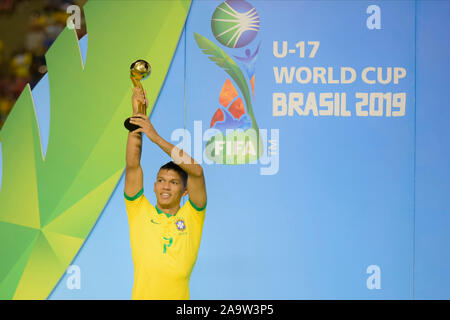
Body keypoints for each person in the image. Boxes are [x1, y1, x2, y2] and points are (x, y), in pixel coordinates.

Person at [124, 87, 207, 300]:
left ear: (185, 190)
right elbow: (133, 165)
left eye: (173, 182)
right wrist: (137, 115)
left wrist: (155, 137)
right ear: (154, 186)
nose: (165, 187)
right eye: (161, 181)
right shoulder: (139, 210)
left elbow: (196, 171)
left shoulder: (193, 215)